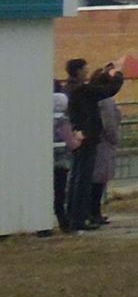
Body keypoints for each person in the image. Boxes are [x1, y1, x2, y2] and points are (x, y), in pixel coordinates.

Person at [64, 60, 122, 235]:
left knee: (76, 176)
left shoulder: (72, 88)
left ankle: (73, 215)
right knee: (83, 178)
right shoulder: (82, 90)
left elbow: (95, 89)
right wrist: (117, 74)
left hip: (76, 135)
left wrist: (104, 74)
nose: (87, 71)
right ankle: (79, 219)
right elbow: (107, 91)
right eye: (85, 69)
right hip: (87, 137)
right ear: (79, 71)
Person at [48, 80, 75, 235]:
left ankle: (43, 225)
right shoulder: (62, 119)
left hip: (46, 160)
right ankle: (63, 222)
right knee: (59, 193)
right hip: (61, 161)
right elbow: (70, 143)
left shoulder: (43, 116)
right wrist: (78, 139)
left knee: (46, 192)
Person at [90, 93, 120, 228]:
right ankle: (94, 212)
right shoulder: (105, 100)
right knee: (99, 178)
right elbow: (109, 124)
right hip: (103, 143)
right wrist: (114, 139)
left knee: (93, 177)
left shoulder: (92, 97)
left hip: (94, 142)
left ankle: (91, 211)